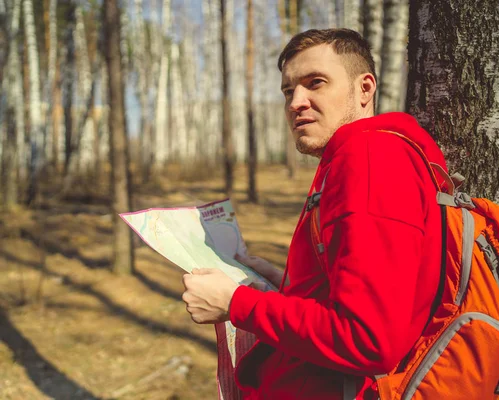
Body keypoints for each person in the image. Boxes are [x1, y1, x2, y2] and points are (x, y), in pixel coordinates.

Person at [181, 28, 448, 399]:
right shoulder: (363, 157)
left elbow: (369, 339)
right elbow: (359, 291)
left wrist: (237, 303)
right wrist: (281, 285)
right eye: (289, 91)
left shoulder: (369, 157)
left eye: (315, 83)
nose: (296, 102)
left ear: (365, 88)